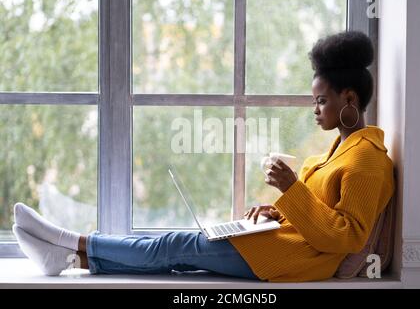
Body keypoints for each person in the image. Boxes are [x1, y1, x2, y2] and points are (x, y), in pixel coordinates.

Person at [12, 31, 394, 282]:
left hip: (291, 260)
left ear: (349, 99)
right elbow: (318, 209)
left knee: (174, 246)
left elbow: (347, 236)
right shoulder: (339, 148)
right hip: (279, 241)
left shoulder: (368, 160)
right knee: (174, 251)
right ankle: (68, 261)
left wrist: (292, 189)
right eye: (314, 101)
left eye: (321, 101)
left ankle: (69, 239)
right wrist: (274, 210)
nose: (315, 110)